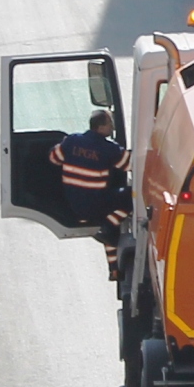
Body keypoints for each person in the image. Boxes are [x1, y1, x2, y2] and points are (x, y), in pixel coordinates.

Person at [49, 109, 131, 279]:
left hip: (74, 205)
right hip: (96, 204)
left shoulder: (71, 141)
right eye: (110, 124)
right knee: (131, 197)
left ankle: (114, 270)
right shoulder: (109, 149)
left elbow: (54, 158)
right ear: (101, 127)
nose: (112, 127)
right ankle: (109, 227)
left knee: (109, 230)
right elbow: (129, 166)